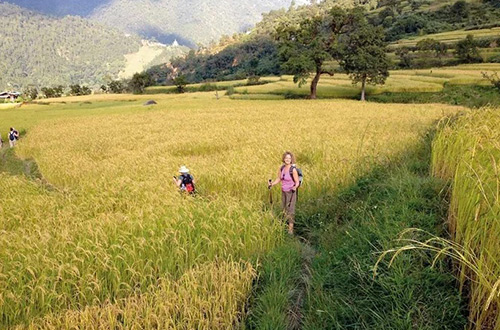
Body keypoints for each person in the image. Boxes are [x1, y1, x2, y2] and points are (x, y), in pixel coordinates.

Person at [269, 151, 300, 234]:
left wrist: (294, 187)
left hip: (291, 192)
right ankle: (285, 227)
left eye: (289, 158)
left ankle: (290, 231)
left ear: (291, 160)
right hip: (284, 191)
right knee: (284, 209)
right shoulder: (282, 168)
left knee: (291, 210)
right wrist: (272, 184)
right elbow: (279, 178)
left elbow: (297, 182)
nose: (287, 160)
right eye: (286, 158)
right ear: (284, 159)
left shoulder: (293, 170)